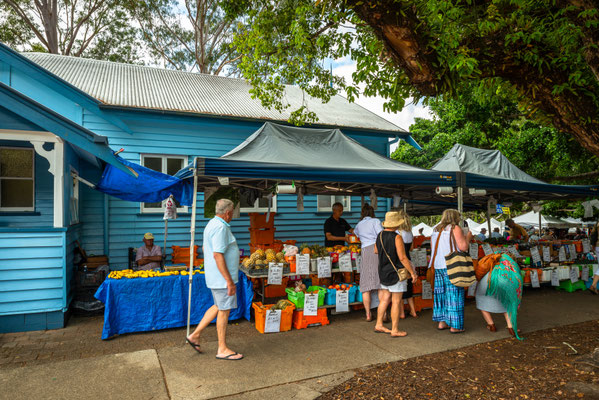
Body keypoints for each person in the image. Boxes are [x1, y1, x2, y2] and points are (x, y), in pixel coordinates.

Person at [186, 199, 243, 360]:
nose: (232, 215)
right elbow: (217, 254)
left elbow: (206, 248)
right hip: (222, 279)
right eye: (232, 212)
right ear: (228, 213)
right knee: (224, 311)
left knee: (218, 306)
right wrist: (229, 281)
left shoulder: (211, 224)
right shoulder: (220, 227)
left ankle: (195, 335)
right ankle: (222, 349)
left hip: (216, 277)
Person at [373, 211, 418, 337]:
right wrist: (412, 272)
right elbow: (403, 258)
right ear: (397, 224)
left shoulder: (380, 235)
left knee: (384, 299)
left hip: (383, 272)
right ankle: (395, 329)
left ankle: (379, 324)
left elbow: (376, 250)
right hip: (396, 273)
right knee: (396, 301)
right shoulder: (397, 237)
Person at [428, 209, 473, 333]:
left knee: (441, 294)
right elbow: (463, 247)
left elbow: (433, 249)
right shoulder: (455, 228)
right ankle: (455, 326)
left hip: (438, 265)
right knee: (454, 295)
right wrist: (468, 237)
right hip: (452, 265)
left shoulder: (436, 229)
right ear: (456, 217)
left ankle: (442, 322)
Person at [476, 253, 523, 338]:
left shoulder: (493, 263)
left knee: (481, 300)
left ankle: (491, 325)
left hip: (487, 282)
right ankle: (511, 327)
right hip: (506, 283)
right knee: (507, 304)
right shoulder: (513, 267)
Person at [353, 204, 383, 321]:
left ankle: (368, 314)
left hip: (364, 250)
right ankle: (383, 313)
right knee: (379, 282)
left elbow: (356, 234)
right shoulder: (376, 221)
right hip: (376, 249)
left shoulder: (359, 224)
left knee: (366, 284)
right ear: (372, 212)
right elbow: (381, 235)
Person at [396, 210, 418, 319]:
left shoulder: (398, 234)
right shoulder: (410, 233)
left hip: (400, 262)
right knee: (409, 288)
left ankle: (401, 313)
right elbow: (411, 248)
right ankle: (413, 311)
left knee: (399, 289)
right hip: (409, 261)